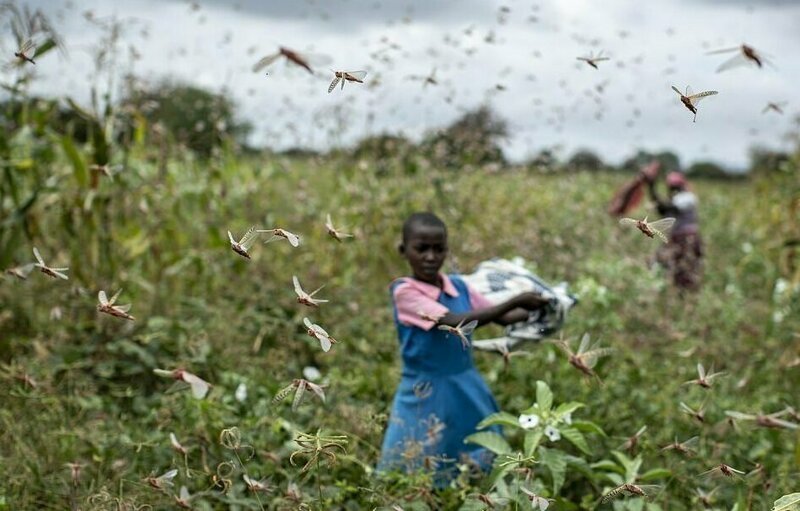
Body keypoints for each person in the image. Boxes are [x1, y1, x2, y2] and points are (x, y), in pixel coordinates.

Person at [377, 212, 550, 485]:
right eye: (421, 249)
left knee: (474, 453)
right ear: (403, 250)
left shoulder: (458, 286)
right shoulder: (405, 292)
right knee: (411, 459)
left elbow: (501, 317)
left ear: (447, 250)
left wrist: (540, 309)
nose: (431, 257)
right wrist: (515, 299)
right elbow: (453, 321)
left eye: (438, 249)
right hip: (424, 389)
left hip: (465, 385)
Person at [646, 171, 703, 291]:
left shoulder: (688, 198)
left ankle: (684, 296)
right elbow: (663, 210)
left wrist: (653, 189)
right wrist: (651, 186)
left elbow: (670, 208)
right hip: (677, 238)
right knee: (660, 263)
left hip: (687, 239)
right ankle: (662, 291)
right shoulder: (675, 199)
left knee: (685, 271)